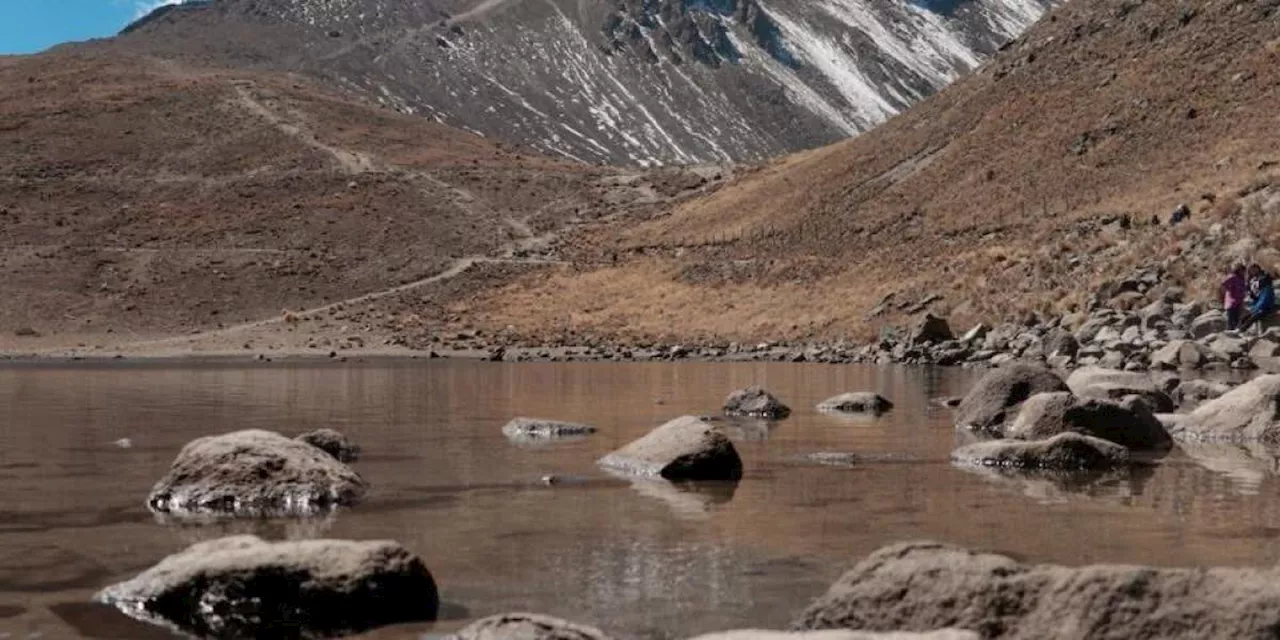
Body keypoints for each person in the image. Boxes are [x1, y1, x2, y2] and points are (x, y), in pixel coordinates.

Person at [1242, 263, 1276, 332]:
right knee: (1245, 316)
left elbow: (1265, 299)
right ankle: (1239, 329)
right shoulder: (1253, 280)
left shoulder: (1265, 282)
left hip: (1266, 305)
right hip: (1258, 304)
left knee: (1255, 316)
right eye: (1251, 270)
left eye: (1253, 270)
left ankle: (1241, 330)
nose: (1252, 272)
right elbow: (1254, 296)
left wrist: (1256, 308)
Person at [1222, 263, 1247, 331]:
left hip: (1239, 301)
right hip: (1232, 302)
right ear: (1238, 270)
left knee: (1237, 319)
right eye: (1242, 271)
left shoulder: (1242, 279)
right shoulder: (1233, 277)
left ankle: (1234, 334)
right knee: (1231, 320)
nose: (1244, 272)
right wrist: (1229, 291)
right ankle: (1229, 334)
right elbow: (1224, 284)